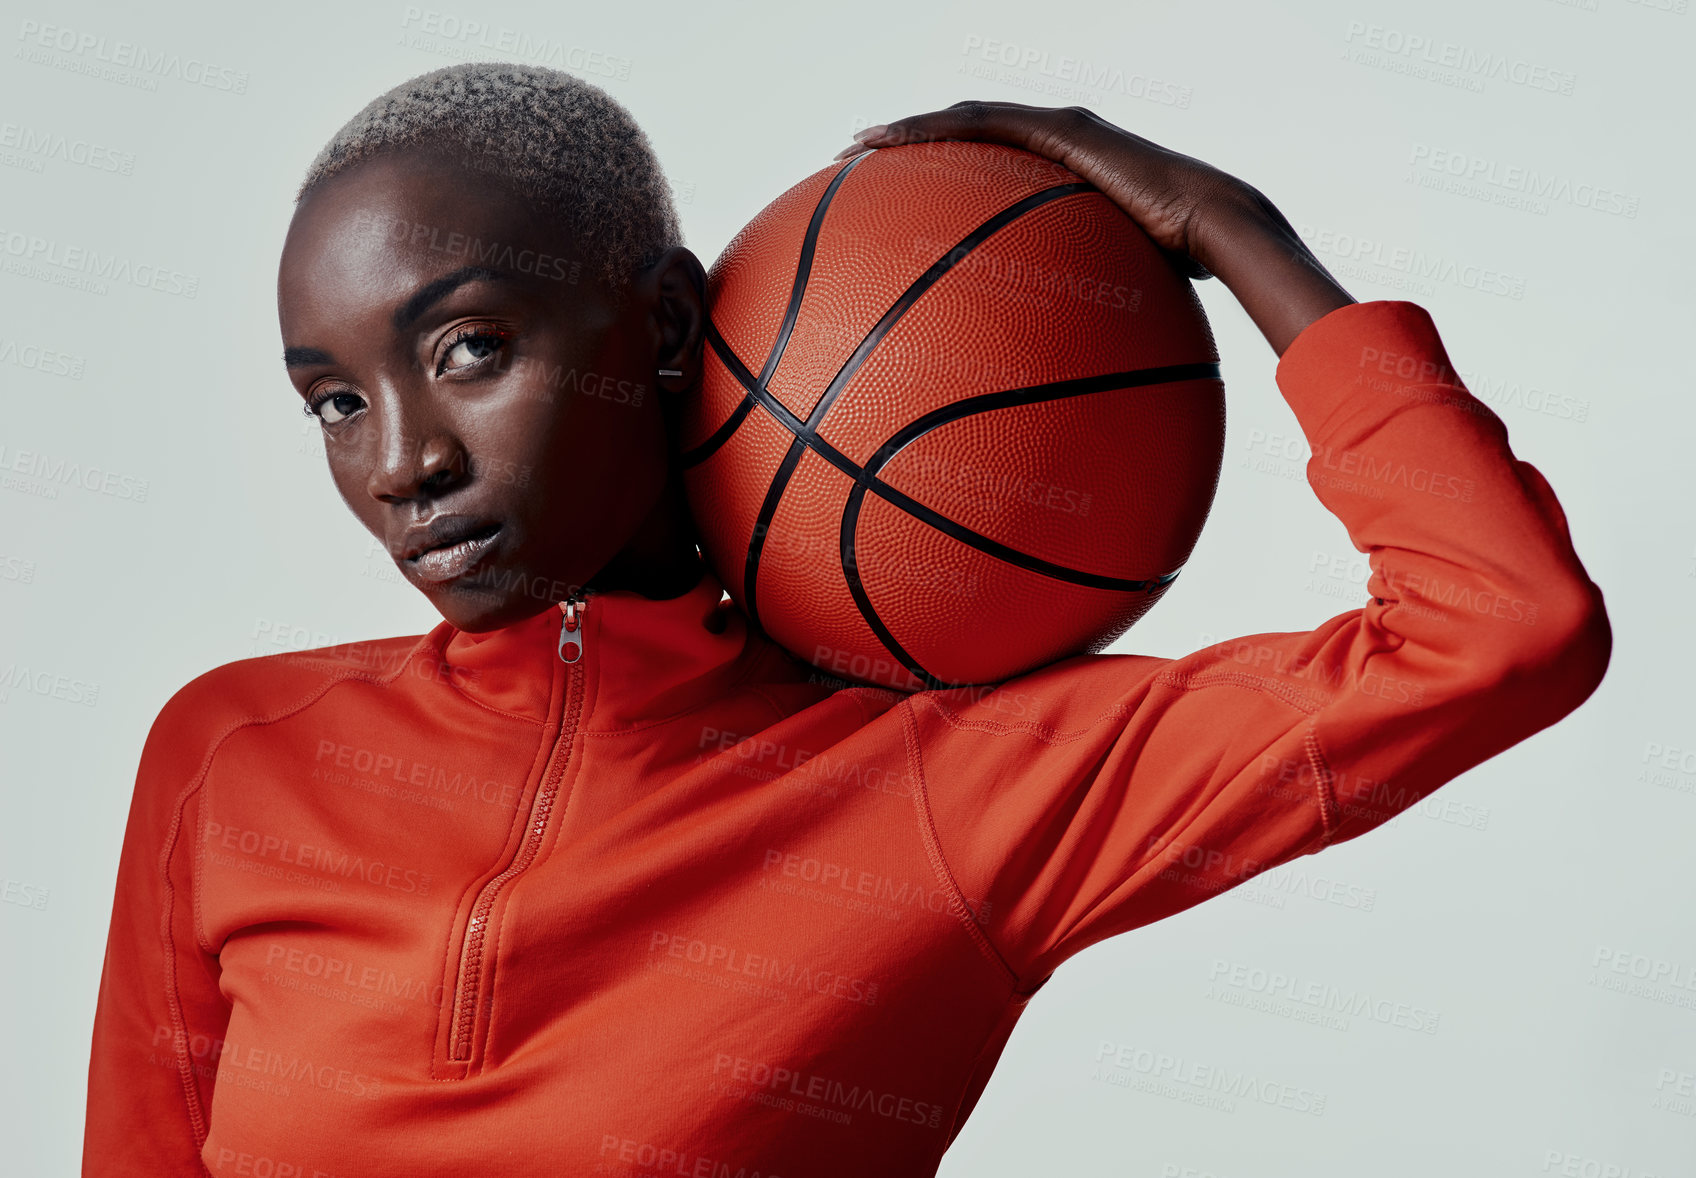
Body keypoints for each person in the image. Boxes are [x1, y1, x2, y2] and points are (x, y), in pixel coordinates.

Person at [82, 63, 1611, 1177]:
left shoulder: (953, 784)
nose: (402, 461)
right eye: (334, 402)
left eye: (471, 347)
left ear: (668, 326)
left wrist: (1233, 231)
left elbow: (1504, 625)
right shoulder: (234, 750)